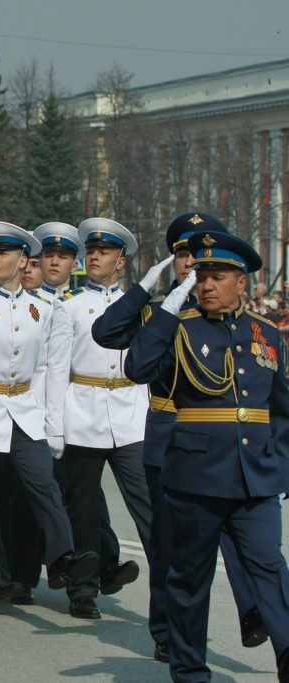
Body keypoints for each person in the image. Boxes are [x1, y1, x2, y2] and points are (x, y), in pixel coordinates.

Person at [91, 212, 263, 662]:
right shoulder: (157, 309)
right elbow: (107, 334)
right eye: (184, 256)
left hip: (225, 442)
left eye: (201, 258)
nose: (192, 266)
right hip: (170, 435)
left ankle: (255, 611)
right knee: (170, 544)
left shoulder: (230, 313)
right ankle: (167, 629)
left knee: (241, 536)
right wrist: (146, 287)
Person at [124, 230, 289, 683]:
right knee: (189, 581)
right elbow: (136, 367)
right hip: (194, 477)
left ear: (242, 282)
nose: (207, 285)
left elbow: (281, 408)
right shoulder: (177, 327)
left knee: (270, 567)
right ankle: (190, 670)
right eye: (201, 276)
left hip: (255, 478)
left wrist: (283, 464)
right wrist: (166, 309)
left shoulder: (267, 334)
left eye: (218, 276)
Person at [0, 221, 98, 621]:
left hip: (24, 412)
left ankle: (64, 560)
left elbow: (49, 368)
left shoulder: (43, 309)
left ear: (22, 261)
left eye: (3, 254)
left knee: (45, 487)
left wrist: (53, 425)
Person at [44, 218, 152, 619]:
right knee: (83, 506)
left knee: (147, 506)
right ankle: (83, 589)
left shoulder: (140, 308)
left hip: (130, 413)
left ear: (120, 261)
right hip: (82, 410)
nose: (93, 257)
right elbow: (57, 370)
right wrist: (54, 423)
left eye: (103, 252)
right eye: (91, 251)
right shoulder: (68, 307)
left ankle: (170, 590)